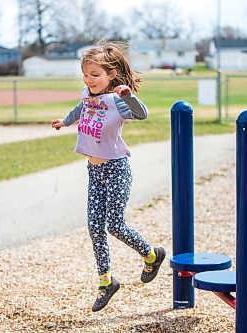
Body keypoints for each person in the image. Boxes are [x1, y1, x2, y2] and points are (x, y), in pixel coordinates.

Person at [51, 41, 166, 312]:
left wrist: (127, 95)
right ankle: (106, 282)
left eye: (95, 75)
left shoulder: (118, 101)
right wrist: (66, 122)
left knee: (114, 225)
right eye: (86, 74)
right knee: (94, 227)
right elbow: (81, 109)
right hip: (94, 171)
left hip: (116, 169)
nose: (89, 80)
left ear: (111, 75)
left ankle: (152, 255)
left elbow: (142, 113)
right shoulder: (87, 95)